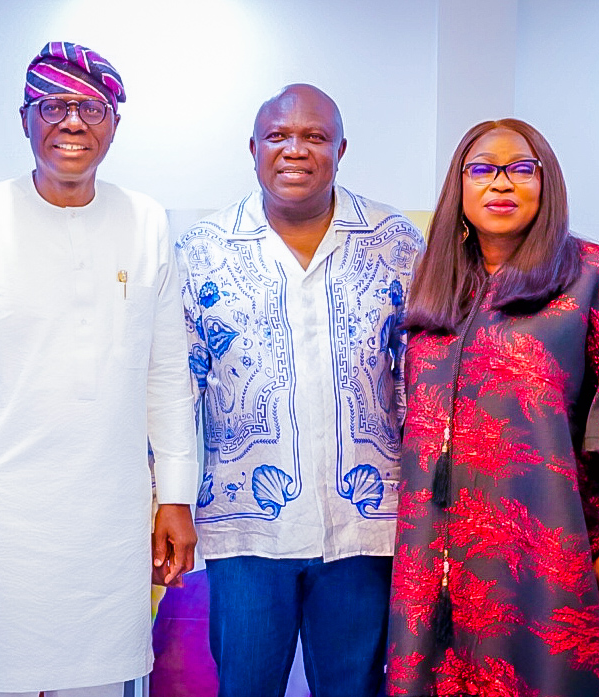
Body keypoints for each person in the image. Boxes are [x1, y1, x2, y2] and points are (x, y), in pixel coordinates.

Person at [0, 41, 198, 697]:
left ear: (115, 123)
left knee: (108, 680)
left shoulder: (147, 221)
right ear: (24, 118)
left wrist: (174, 494)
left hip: (111, 523)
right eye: (54, 105)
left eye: (91, 107)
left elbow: (167, 375)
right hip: (1, 523)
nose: (72, 123)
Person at [385, 119, 599, 697]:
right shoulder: (437, 284)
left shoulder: (593, 277)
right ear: (460, 186)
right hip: (433, 566)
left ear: (545, 183)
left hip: (547, 565)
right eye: (483, 169)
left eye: (521, 168)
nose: (502, 183)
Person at [175, 84, 425, 697]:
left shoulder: (396, 243)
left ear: (342, 149)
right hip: (244, 529)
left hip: (368, 525)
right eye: (279, 136)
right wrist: (166, 500)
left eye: (315, 136)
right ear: (253, 148)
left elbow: (420, 379)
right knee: (246, 685)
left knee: (355, 688)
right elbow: (177, 386)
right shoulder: (202, 250)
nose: (296, 150)